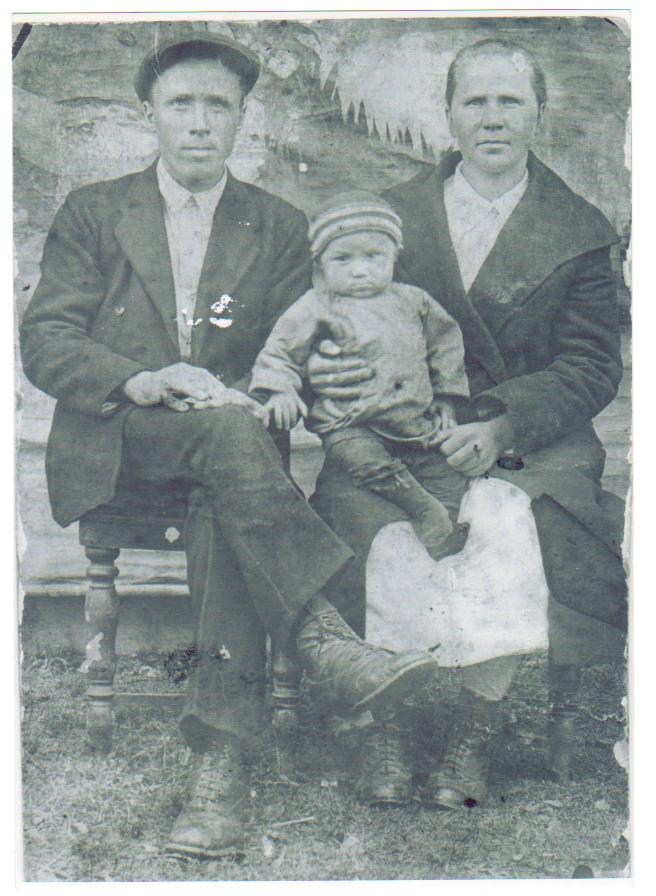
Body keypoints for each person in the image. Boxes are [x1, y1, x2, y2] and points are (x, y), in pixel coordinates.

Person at [19, 32, 440, 858]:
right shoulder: (94, 212)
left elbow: (291, 351)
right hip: (121, 443)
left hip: (232, 451)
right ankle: (321, 635)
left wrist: (267, 390)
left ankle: (220, 766)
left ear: (243, 116)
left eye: (218, 105)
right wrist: (145, 379)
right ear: (150, 114)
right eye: (181, 104)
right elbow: (47, 340)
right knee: (230, 448)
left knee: (228, 481)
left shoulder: (277, 225)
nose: (200, 122)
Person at [308, 37, 627, 809]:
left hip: (529, 438)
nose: (492, 118)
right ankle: (390, 721)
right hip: (401, 428)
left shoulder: (579, 229)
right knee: (390, 525)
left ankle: (471, 730)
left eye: (510, 101)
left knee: (502, 519)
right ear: (449, 114)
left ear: (538, 114)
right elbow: (337, 331)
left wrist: (502, 424)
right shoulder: (393, 216)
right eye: (475, 101)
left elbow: (591, 365)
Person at [250, 191, 471, 562]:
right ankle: (423, 509)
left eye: (373, 257)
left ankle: (442, 538)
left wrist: (447, 397)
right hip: (350, 425)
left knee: (448, 477)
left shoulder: (414, 301)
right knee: (365, 463)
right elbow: (280, 351)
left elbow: (445, 344)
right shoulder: (316, 306)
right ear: (320, 264)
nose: (359, 270)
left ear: (394, 255)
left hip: (414, 423)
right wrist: (280, 391)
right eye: (343, 259)